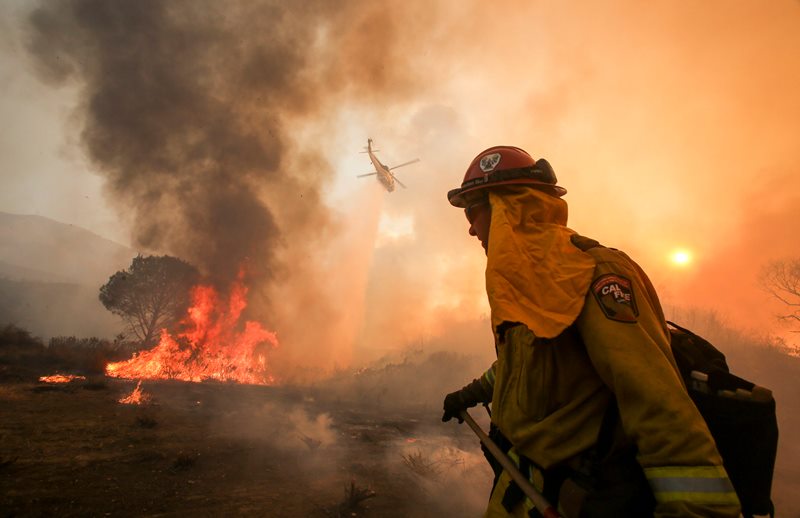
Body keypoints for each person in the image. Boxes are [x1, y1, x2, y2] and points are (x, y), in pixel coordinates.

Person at [441, 146, 740, 518]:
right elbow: (525, 363)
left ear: (507, 207)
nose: (470, 228)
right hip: (522, 490)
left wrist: (699, 510)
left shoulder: (591, 272)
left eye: (473, 210)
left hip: (576, 498)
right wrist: (469, 394)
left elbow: (658, 402)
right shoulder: (524, 283)